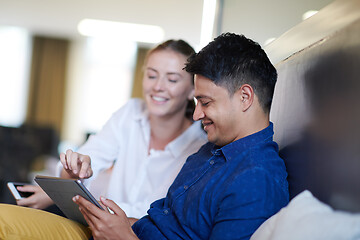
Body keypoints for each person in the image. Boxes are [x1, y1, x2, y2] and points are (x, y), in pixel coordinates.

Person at [0, 33, 288, 240]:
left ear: (245, 97)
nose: (197, 115)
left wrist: (124, 235)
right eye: (152, 75)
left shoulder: (257, 178)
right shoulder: (213, 152)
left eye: (206, 102)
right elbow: (162, 222)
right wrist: (114, 222)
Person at [15, 39, 208, 218]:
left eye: (172, 80)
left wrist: (67, 198)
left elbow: (154, 212)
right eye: (151, 75)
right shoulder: (130, 113)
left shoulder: (199, 147)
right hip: (96, 224)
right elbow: (86, 162)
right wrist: (74, 172)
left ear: (193, 88)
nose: (158, 86)